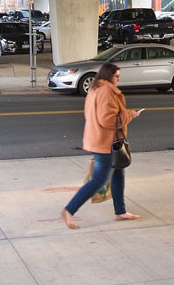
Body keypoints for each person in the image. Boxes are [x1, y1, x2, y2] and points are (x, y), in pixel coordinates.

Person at [60, 62, 142, 229]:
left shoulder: (96, 88)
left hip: (101, 139)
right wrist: (130, 116)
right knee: (99, 180)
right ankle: (69, 210)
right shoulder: (106, 91)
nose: (118, 79)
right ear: (108, 76)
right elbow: (107, 120)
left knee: (118, 173)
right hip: (106, 142)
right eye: (116, 76)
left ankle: (120, 211)